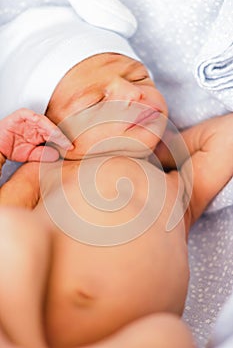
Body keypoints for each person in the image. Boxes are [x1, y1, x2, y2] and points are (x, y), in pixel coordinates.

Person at [0, 49, 232, 347]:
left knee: (169, 336)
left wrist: (159, 148)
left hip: (121, 339)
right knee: (11, 231)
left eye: (139, 77)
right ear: (48, 135)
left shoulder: (179, 191)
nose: (133, 93)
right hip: (25, 317)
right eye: (96, 100)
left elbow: (227, 136)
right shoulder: (47, 173)